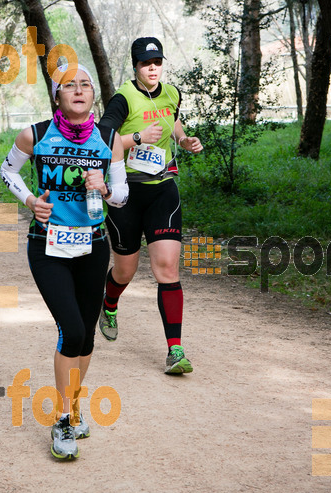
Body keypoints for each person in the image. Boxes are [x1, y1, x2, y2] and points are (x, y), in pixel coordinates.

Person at [0, 64, 128, 460]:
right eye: (69, 85)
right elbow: (8, 171)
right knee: (70, 330)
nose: (78, 90)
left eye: (85, 85)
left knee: (86, 336)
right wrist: (29, 200)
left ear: (93, 96)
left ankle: (72, 409)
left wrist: (105, 188)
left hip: (93, 246)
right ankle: (62, 418)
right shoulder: (34, 135)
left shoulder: (111, 138)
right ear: (57, 96)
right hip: (47, 247)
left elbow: (122, 196)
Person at [97, 37, 203, 375]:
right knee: (125, 271)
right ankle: (109, 303)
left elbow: (172, 122)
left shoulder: (172, 93)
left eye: (157, 61)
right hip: (126, 194)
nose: (153, 67)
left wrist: (184, 139)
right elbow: (102, 138)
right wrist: (137, 138)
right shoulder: (123, 99)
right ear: (136, 67)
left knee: (167, 270)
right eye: (146, 63)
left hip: (162, 190)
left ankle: (175, 350)